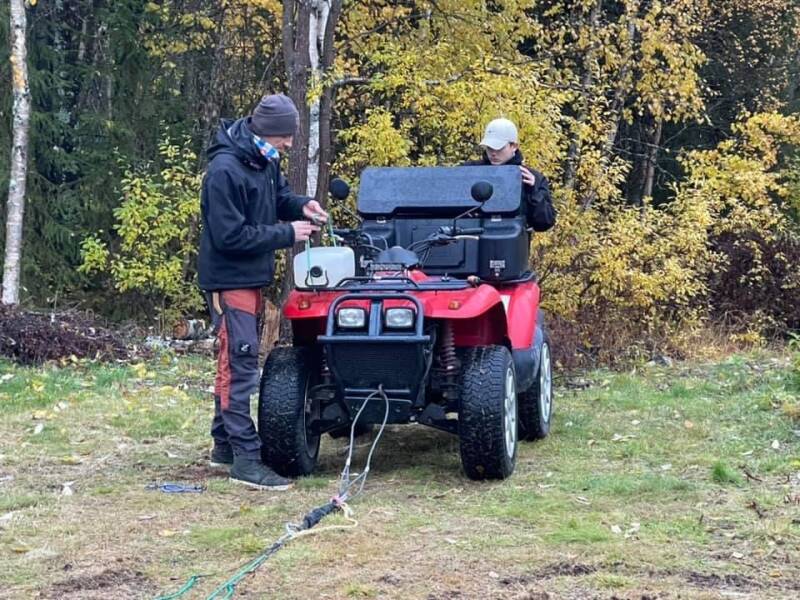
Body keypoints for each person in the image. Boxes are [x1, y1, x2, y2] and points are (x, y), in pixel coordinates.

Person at [197, 93, 328, 490]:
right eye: (285, 137)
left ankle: (224, 446)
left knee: (233, 360)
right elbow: (229, 236)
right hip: (228, 280)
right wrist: (286, 234)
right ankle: (246, 461)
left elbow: (278, 199)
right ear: (267, 131)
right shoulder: (224, 171)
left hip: (250, 278)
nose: (289, 144)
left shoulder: (263, 159)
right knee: (239, 366)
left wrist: (302, 206)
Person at [464, 118, 556, 232]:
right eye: (489, 147)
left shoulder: (532, 178)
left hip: (512, 240)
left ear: (514, 146)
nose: (493, 153)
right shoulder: (469, 171)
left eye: (499, 148)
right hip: (470, 238)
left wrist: (533, 191)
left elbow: (545, 223)